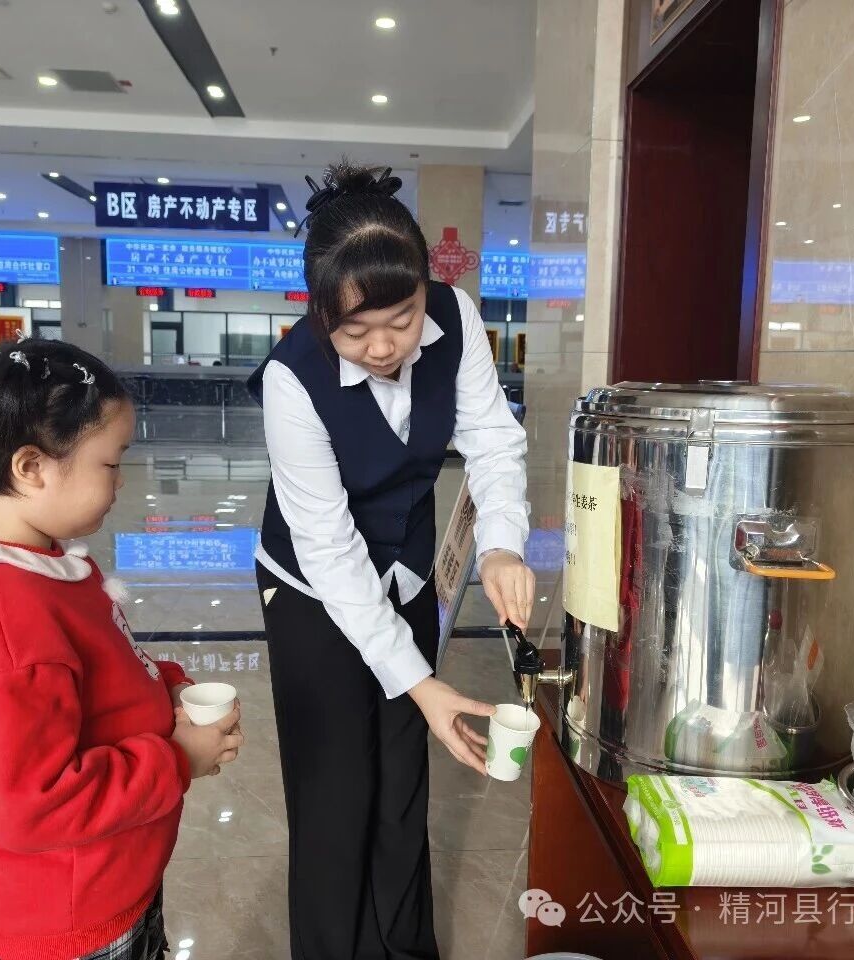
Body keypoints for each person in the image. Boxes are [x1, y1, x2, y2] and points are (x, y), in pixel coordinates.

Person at [247, 161, 534, 960]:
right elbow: (330, 549)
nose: (383, 346)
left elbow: (492, 439)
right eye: (355, 331)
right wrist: (419, 682)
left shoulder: (456, 316)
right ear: (319, 313)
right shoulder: (292, 381)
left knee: (402, 781)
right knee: (335, 789)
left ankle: (405, 949)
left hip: (405, 570)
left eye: (402, 320)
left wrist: (502, 544)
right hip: (312, 588)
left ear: (423, 288)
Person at [0, 339, 244, 960]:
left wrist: (166, 687)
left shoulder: (42, 563)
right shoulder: (7, 625)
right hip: (62, 922)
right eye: (110, 463)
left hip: (105, 882)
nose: (120, 481)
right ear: (31, 467)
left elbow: (100, 670)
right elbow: (30, 805)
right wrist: (177, 759)